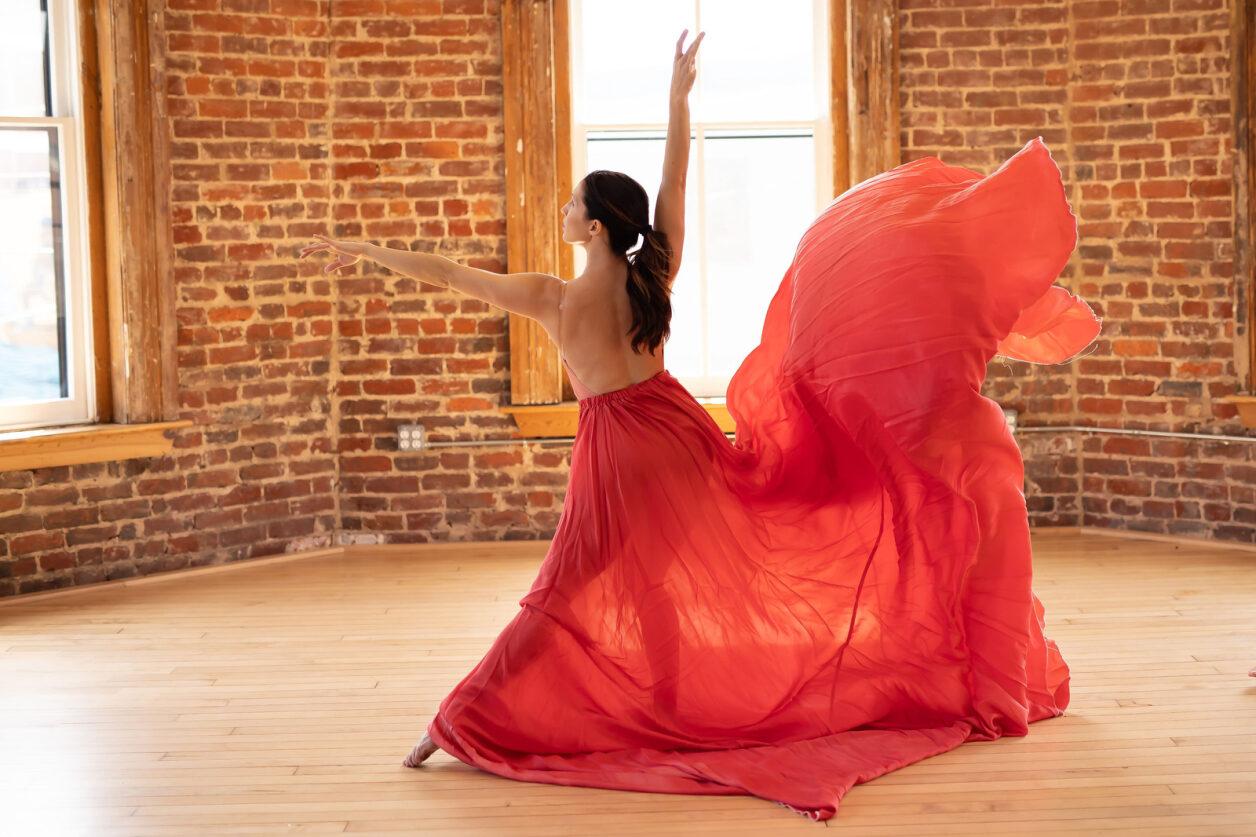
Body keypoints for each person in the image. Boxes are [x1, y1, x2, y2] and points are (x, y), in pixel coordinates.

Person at [303, 29, 1102, 823]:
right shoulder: (656, 270)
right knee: (667, 572)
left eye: (572, 203)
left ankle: (457, 721)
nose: (563, 209)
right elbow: (673, 180)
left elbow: (448, 273)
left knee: (566, 588)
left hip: (617, 449)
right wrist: (678, 99)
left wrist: (366, 251)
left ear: (593, 227)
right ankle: (675, 700)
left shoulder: (555, 297)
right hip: (677, 435)